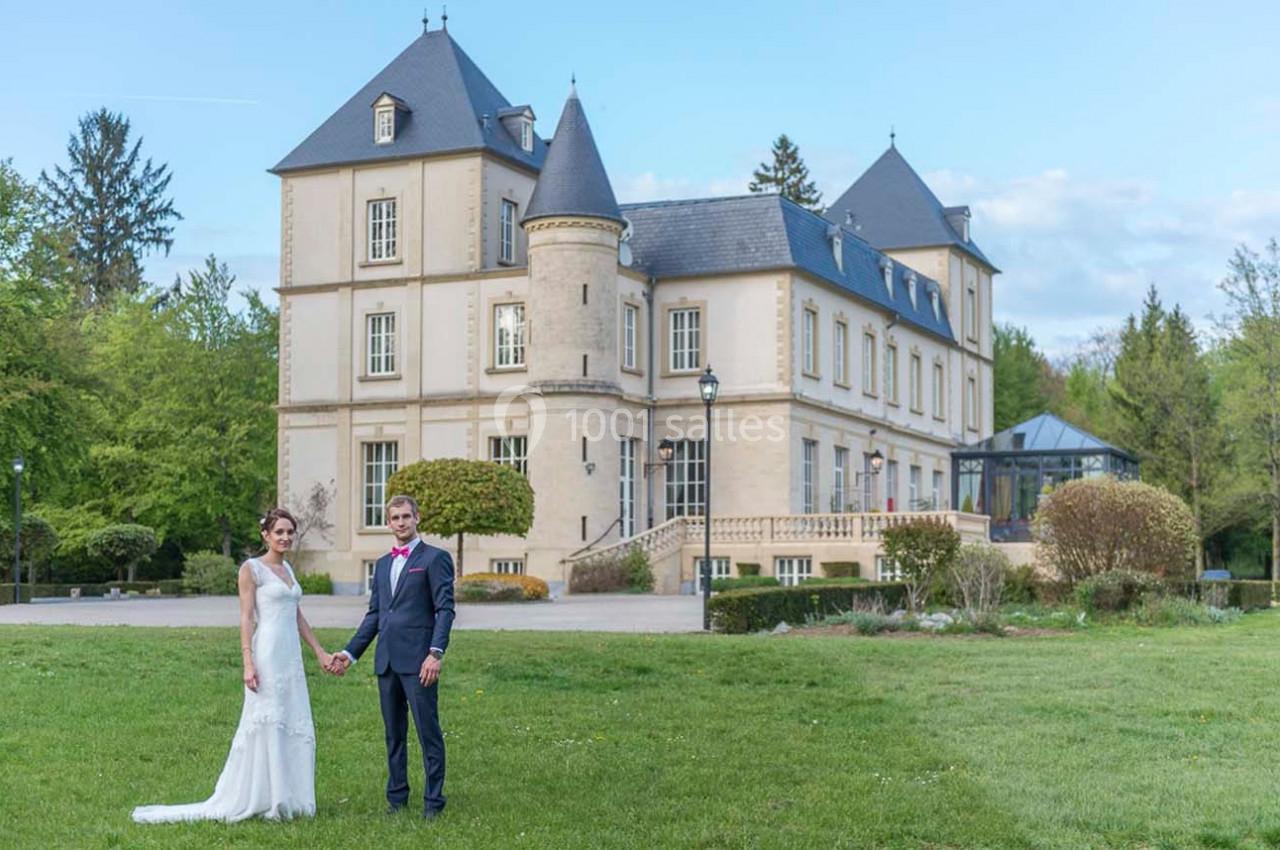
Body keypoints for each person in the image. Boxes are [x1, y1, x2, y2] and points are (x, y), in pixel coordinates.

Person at [132, 508, 335, 823]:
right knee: (267, 720)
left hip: (290, 656)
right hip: (266, 652)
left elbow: (296, 615)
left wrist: (319, 652)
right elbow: (246, 616)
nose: (285, 537)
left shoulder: (289, 571)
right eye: (279, 532)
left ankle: (289, 795)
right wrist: (248, 662)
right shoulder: (251, 569)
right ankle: (265, 797)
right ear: (265, 535)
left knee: (290, 719)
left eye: (289, 532)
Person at [327, 494, 456, 819]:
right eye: (395, 518)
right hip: (386, 662)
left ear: (417, 518)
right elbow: (375, 616)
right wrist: (349, 653)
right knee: (393, 734)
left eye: (406, 517)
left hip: (419, 662)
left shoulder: (434, 558)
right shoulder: (383, 564)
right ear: (389, 522)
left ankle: (433, 802)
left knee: (428, 732)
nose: (401, 522)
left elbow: (445, 609)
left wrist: (435, 653)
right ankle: (397, 799)